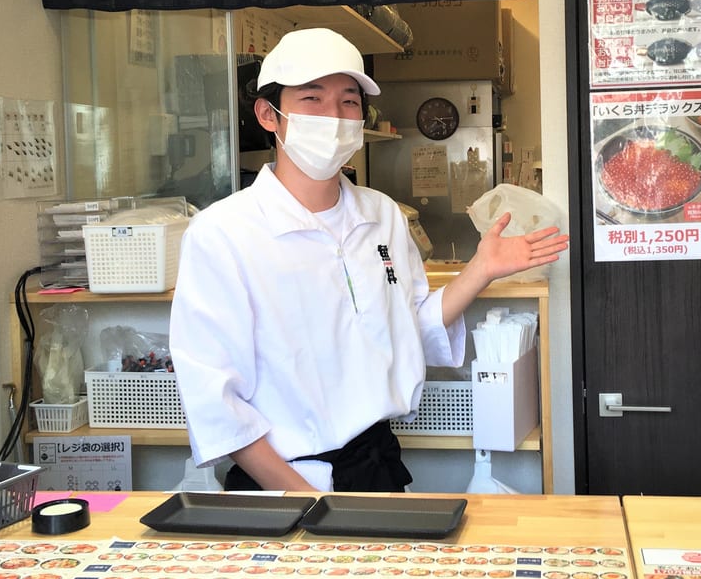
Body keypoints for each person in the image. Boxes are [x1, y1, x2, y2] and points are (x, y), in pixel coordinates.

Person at [169, 28, 568, 492]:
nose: (333, 117)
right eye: (312, 99)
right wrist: (311, 503)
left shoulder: (383, 215)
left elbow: (407, 327)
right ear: (268, 115)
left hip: (377, 470)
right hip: (281, 486)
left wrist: (480, 269)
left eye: (348, 102)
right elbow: (216, 400)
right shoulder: (223, 234)